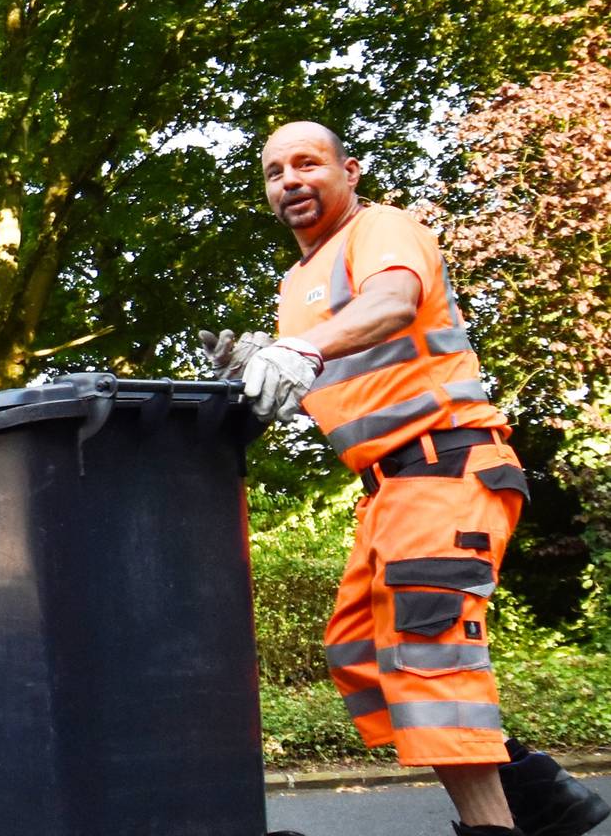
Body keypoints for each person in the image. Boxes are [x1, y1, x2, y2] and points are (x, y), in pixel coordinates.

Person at [209, 122, 608, 836]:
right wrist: (257, 368)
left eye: (308, 163)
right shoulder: (297, 282)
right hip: (390, 488)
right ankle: (539, 795)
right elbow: (332, 381)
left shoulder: (381, 229)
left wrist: (298, 346)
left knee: (427, 654)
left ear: (349, 171)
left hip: (446, 463)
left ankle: (496, 829)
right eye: (274, 172)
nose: (291, 180)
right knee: (359, 654)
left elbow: (391, 304)